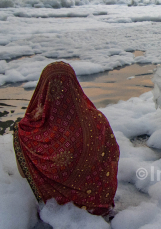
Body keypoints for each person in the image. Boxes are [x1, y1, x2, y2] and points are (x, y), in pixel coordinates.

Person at [13, 61, 119, 216]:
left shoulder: (27, 132)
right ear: (74, 85)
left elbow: (23, 174)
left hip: (56, 210)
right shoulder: (97, 121)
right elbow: (111, 156)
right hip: (95, 204)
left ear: (43, 88)